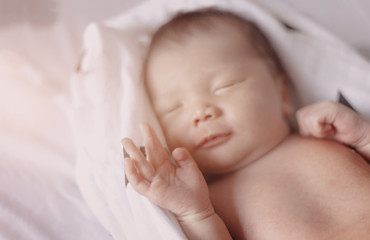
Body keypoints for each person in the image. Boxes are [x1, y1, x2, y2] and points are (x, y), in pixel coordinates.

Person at [122, 8, 370, 239]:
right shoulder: (207, 201)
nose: (200, 113)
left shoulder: (327, 136)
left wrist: (363, 137)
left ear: (282, 93)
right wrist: (195, 214)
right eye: (173, 109)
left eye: (224, 86)